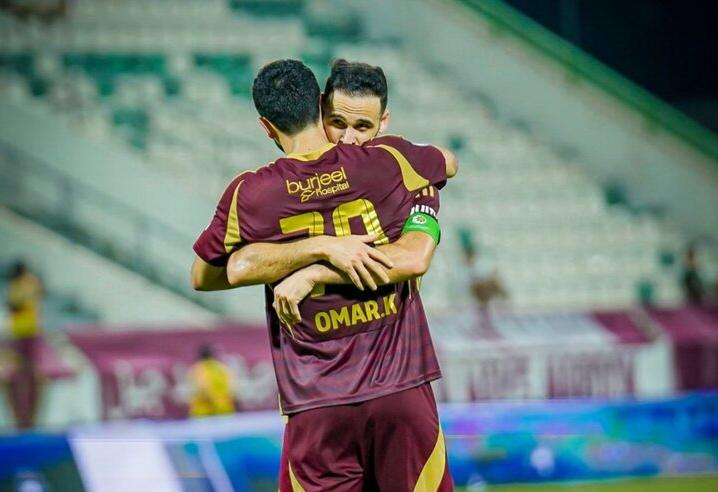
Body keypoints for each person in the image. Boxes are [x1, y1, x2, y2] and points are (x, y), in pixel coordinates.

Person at [192, 59, 456, 490]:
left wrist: (308, 263)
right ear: (320, 105)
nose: (351, 135)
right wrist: (326, 247)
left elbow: (206, 275)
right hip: (400, 390)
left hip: (317, 404)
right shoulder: (389, 161)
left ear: (266, 126)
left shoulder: (251, 193)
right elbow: (447, 163)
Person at [4, 261, 44, 429]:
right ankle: (19, 418)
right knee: (15, 376)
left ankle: (30, 419)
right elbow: (13, 305)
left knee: (32, 376)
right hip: (17, 333)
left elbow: (17, 304)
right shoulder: (15, 285)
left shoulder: (29, 282)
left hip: (29, 333)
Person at [187, 344, 235, 418]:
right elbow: (231, 387)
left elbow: (201, 388)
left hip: (203, 411)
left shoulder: (196, 369)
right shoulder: (221, 368)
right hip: (221, 408)